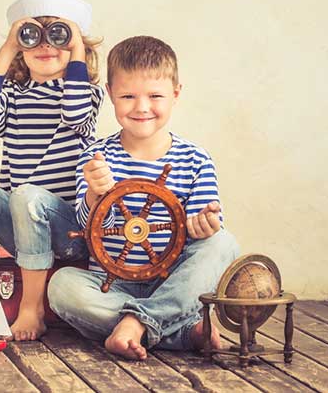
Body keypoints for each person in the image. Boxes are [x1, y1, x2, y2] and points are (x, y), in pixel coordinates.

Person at [47, 35, 240, 359]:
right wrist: (96, 194)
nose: (142, 107)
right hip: (110, 286)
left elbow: (199, 235)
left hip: (173, 283)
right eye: (128, 95)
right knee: (62, 285)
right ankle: (175, 330)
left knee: (223, 242)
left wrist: (204, 225)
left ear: (176, 94)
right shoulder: (95, 157)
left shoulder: (195, 160)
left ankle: (136, 324)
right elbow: (86, 228)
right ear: (110, 94)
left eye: (155, 96)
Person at [0, 0, 103, 341]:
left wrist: (76, 49)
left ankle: (31, 310)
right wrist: (8, 46)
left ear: (78, 46)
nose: (46, 45)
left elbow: (74, 111)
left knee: (27, 195)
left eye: (60, 36)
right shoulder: (14, 98)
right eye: (33, 37)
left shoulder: (87, 94)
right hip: (21, 227)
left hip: (69, 231)